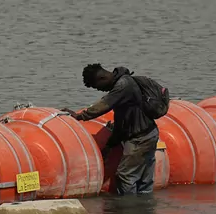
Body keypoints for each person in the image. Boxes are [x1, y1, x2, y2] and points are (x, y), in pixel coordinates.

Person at [61, 64, 159, 196]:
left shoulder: (122, 86)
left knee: (125, 176)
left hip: (139, 139)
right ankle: (144, 211)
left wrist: (79, 116)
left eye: (97, 87)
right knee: (144, 180)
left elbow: (103, 105)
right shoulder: (125, 82)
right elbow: (121, 123)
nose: (100, 90)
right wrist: (110, 145)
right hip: (149, 133)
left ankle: (128, 210)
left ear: (102, 78)